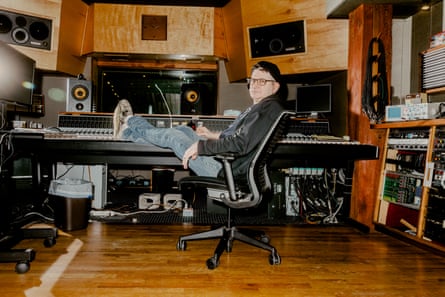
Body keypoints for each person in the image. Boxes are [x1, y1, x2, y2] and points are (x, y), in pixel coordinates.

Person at [113, 61, 288, 178]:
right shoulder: (260, 107)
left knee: (173, 138)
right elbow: (236, 137)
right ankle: (128, 133)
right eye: (253, 80)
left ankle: (130, 121)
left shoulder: (270, 108)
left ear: (275, 86)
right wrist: (210, 135)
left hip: (224, 169)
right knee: (184, 130)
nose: (255, 85)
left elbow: (240, 144)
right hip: (226, 161)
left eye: (262, 81)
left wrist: (201, 146)